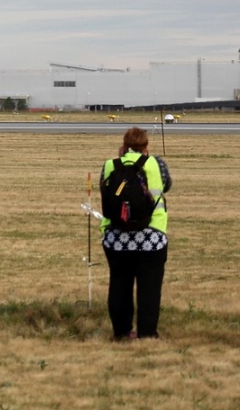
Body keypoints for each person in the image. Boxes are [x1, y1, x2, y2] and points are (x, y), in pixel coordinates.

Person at [99, 127, 171, 340]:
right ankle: (147, 333)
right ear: (146, 146)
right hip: (151, 237)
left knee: (119, 284)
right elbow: (166, 185)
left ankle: (121, 332)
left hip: (116, 237)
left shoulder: (110, 165)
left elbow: (106, 191)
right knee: (149, 288)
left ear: (124, 145)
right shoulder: (156, 164)